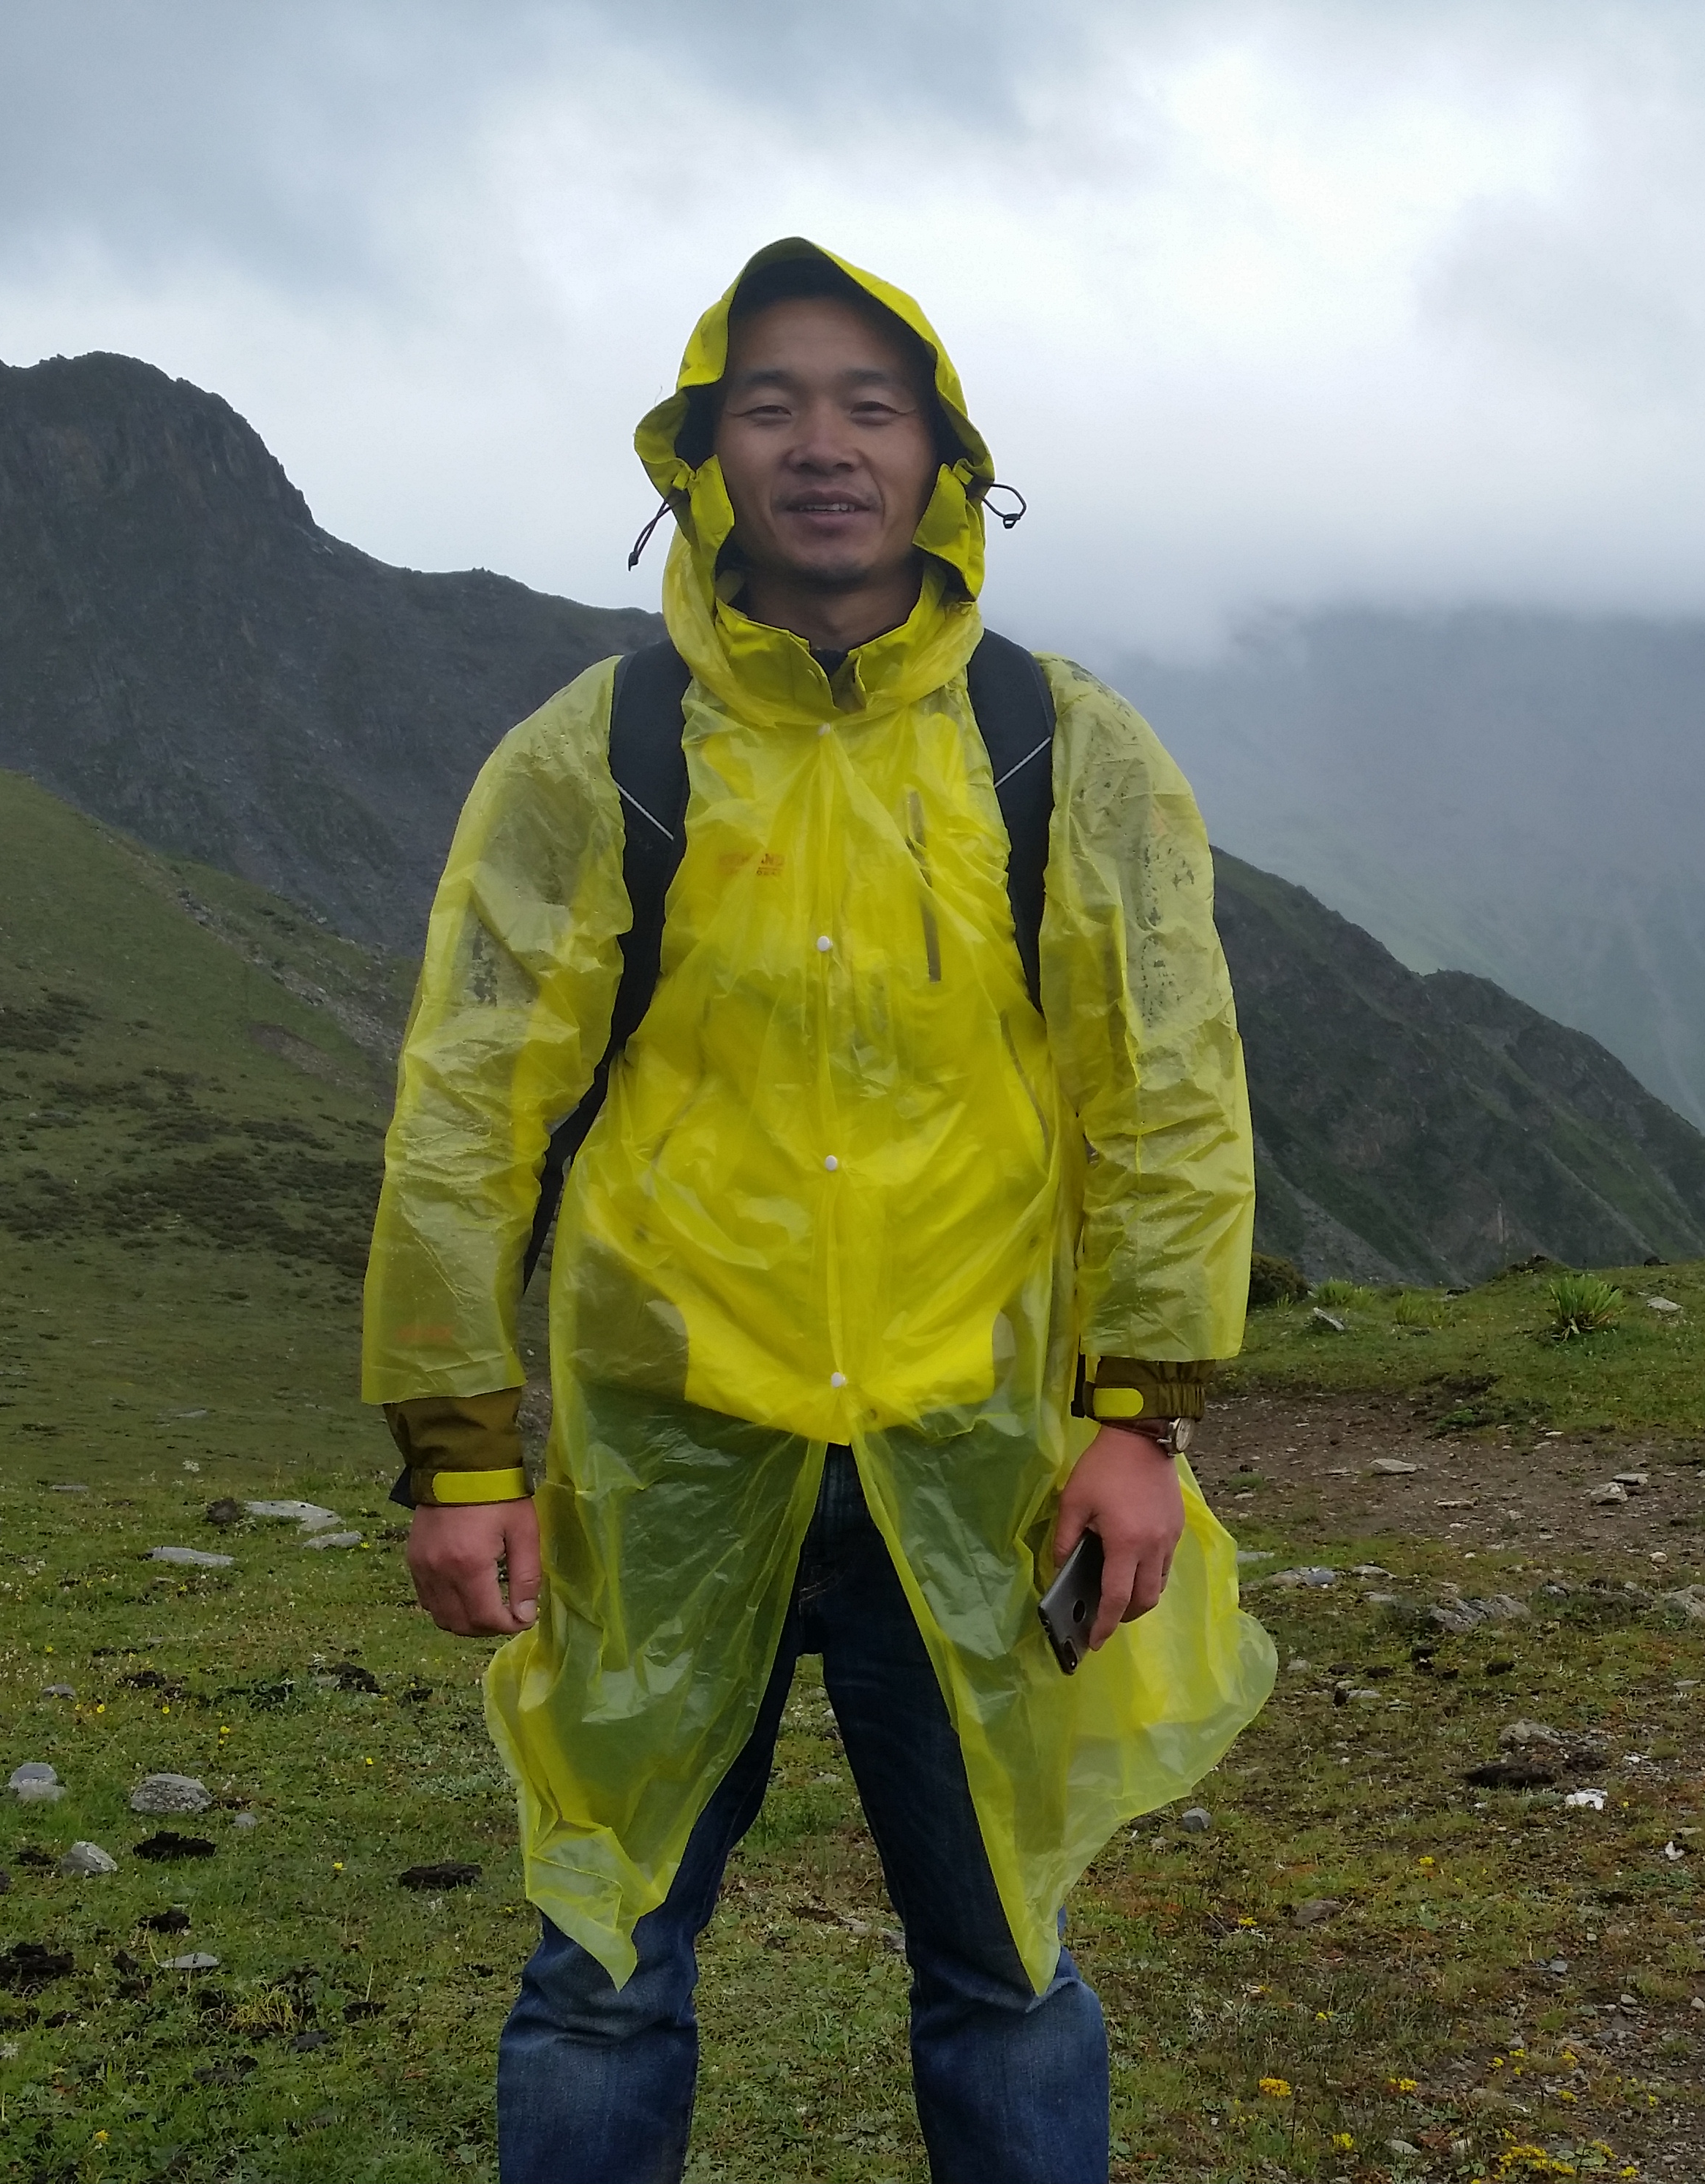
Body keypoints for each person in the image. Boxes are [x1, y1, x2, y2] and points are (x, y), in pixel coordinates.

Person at [359, 238, 1272, 2184]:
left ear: (943, 452)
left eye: (870, 405)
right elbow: (466, 1109)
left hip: (979, 1454)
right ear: (707, 457)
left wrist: (1140, 1420)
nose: (824, 445)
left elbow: (1171, 1095)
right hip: (668, 1459)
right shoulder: (599, 756)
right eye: (771, 404)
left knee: (1007, 1959)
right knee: (605, 1958)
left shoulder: (1062, 749)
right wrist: (458, 1443)